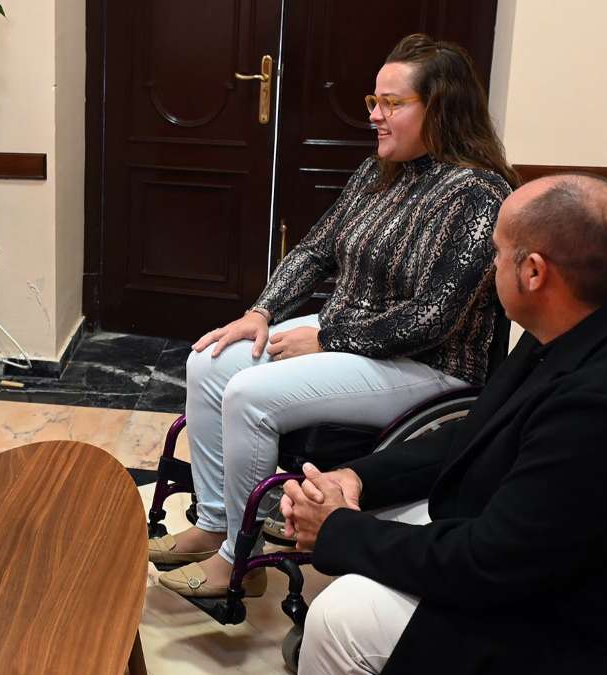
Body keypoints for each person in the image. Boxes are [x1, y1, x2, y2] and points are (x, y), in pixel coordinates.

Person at [152, 33, 520, 599]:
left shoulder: (479, 195)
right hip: (351, 340)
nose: (374, 115)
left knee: (251, 394)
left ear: (440, 109)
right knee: (210, 361)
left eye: (390, 104)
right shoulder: (380, 173)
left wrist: (328, 338)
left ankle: (240, 563)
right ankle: (215, 521)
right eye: (373, 100)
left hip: (430, 366)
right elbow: (315, 249)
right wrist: (262, 311)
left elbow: (432, 318)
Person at [281, 173, 607, 674]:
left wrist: (338, 530)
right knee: (369, 516)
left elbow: (491, 564)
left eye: (496, 252)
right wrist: (356, 477)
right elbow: (475, 434)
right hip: (522, 551)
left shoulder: (604, 402)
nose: (490, 265)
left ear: (533, 272)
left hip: (569, 623)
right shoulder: (573, 322)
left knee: (341, 618)